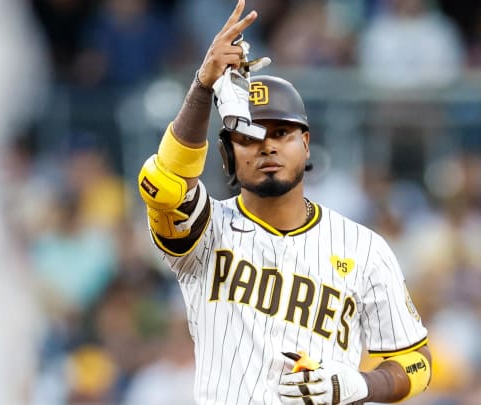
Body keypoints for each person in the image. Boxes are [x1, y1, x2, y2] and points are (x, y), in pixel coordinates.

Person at [137, 1, 432, 403]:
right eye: (249, 136)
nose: (267, 146)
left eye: (281, 132)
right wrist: (204, 86)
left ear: (305, 143)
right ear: (226, 155)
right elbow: (165, 184)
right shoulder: (207, 231)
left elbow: (416, 363)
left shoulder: (364, 248)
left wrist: (361, 383)